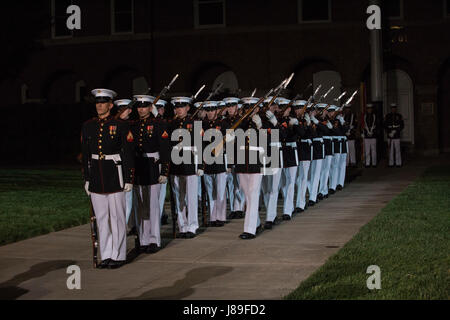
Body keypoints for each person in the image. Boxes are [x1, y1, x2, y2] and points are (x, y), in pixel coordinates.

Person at [81, 88, 135, 269]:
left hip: (115, 173)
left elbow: (127, 154)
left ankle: (118, 255)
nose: (99, 106)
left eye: (103, 103)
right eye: (97, 102)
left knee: (117, 217)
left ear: (111, 105)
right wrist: (87, 178)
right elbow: (86, 154)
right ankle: (106, 254)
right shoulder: (89, 126)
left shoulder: (120, 125)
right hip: (97, 174)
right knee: (102, 218)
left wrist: (128, 178)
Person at [130, 95, 170, 253]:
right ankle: (143, 238)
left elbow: (165, 148)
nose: (140, 109)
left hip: (153, 166)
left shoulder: (159, 124)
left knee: (153, 206)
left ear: (150, 108)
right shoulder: (134, 124)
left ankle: (154, 239)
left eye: (144, 106)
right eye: (139, 106)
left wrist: (164, 170)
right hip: (139, 167)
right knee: (140, 207)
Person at [169, 96, 204, 238]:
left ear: (188, 108)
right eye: (177, 107)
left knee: (191, 196)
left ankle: (192, 225)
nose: (179, 109)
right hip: (176, 163)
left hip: (190, 162)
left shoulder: (194, 123)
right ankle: (182, 225)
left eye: (182, 107)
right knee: (179, 197)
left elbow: (200, 145)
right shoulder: (171, 124)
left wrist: (201, 165)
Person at [234, 97, 266, 239]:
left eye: (251, 108)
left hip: (256, 161)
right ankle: (257, 222)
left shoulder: (262, 122)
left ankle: (249, 229)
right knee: (248, 195)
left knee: (253, 194)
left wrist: (260, 127)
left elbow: (269, 142)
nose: (249, 111)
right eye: (246, 108)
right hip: (242, 161)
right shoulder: (242, 122)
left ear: (257, 109)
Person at [202, 101, 228, 227]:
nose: (210, 113)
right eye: (208, 110)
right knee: (210, 191)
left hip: (219, 160)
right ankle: (213, 217)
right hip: (207, 160)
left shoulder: (223, 124)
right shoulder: (203, 124)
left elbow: (229, 141)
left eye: (212, 110)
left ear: (217, 111)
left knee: (220, 190)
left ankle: (221, 216)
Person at [222, 97, 245, 220]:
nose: (230, 109)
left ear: (237, 107)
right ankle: (233, 208)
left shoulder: (241, 120)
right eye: (228, 106)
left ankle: (240, 207)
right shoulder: (224, 122)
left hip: (240, 153)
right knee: (231, 183)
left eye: (232, 106)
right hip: (229, 154)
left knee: (240, 182)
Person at [294, 100, 312, 213]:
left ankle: (301, 203)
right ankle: (298, 201)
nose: (298, 110)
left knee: (303, 177)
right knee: (296, 178)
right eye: (296, 108)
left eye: (300, 108)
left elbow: (307, 134)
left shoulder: (306, 120)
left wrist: (309, 125)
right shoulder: (294, 120)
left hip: (305, 149)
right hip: (296, 149)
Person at [155, 99, 170, 225]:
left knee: (160, 193)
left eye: (160, 108)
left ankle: (159, 215)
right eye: (156, 108)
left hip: (162, 161)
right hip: (151, 162)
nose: (158, 110)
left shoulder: (164, 123)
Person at [384, 103, 404, 167]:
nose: (393, 109)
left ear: (396, 108)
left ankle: (398, 163)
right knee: (391, 150)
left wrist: (396, 131)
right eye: (392, 108)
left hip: (397, 135)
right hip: (390, 135)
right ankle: (391, 163)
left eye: (394, 108)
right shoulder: (387, 116)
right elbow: (385, 125)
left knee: (397, 149)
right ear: (391, 109)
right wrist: (389, 132)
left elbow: (402, 125)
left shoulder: (399, 116)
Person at [362, 103, 377, 168]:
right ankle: (367, 163)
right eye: (368, 109)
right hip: (366, 135)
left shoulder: (375, 116)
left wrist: (373, 131)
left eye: (370, 109)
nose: (369, 110)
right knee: (367, 150)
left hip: (373, 135)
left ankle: (374, 163)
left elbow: (377, 125)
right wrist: (363, 132)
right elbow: (363, 125)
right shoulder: (365, 116)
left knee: (373, 150)